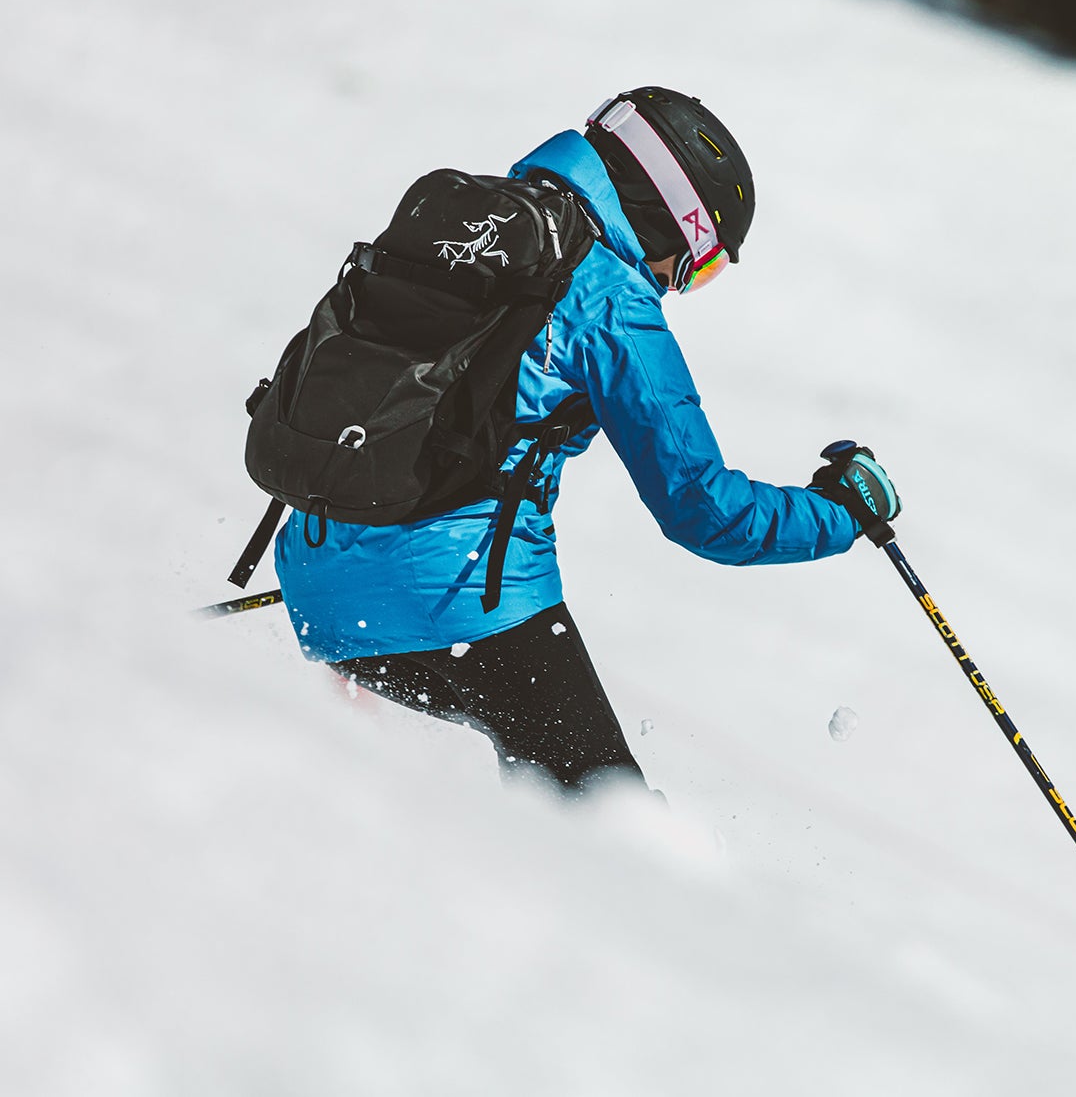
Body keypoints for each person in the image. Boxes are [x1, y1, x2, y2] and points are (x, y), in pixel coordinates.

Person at [273, 87, 900, 794]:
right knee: (613, 829)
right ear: (673, 221)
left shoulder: (476, 220)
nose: (683, 284)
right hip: (462, 597)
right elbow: (703, 510)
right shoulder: (611, 299)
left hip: (317, 575)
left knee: (534, 814)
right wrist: (843, 513)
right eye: (700, 265)